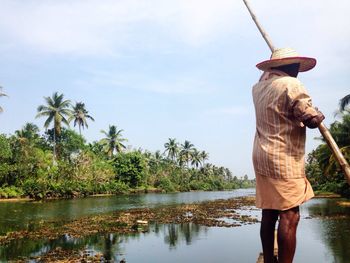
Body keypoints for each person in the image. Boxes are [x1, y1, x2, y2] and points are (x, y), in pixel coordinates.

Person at [252, 48, 325, 263]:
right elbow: (309, 119)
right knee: (289, 215)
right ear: (290, 66)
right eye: (296, 67)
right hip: (283, 157)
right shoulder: (291, 84)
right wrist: (317, 114)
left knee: (269, 212)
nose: (298, 72)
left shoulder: (257, 88)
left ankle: (268, 260)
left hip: (261, 154)